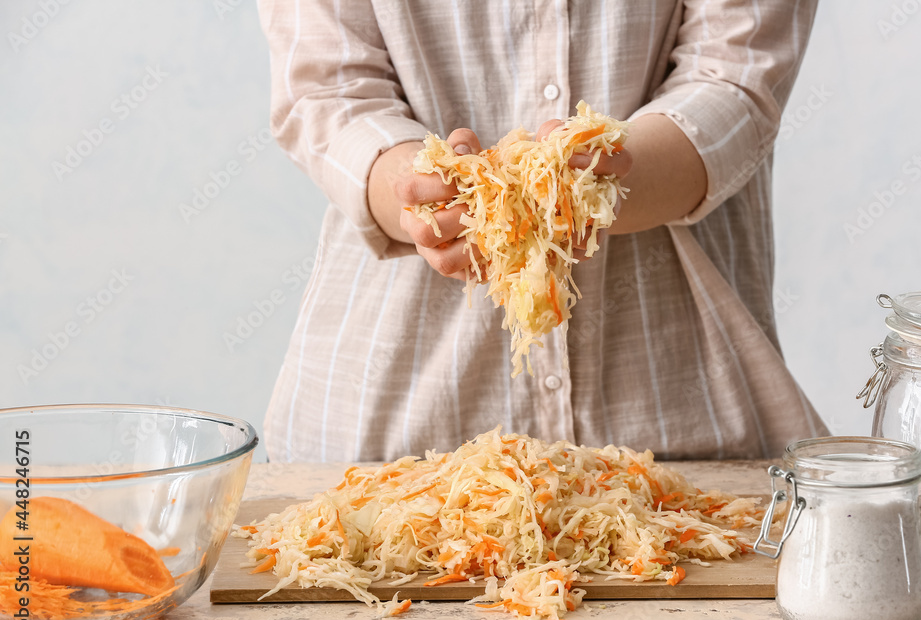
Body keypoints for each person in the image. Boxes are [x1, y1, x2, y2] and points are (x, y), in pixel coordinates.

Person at [257, 0, 827, 463]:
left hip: (685, 419)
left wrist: (590, 186)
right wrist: (414, 192)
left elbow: (736, 78)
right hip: (391, 431)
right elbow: (328, 91)